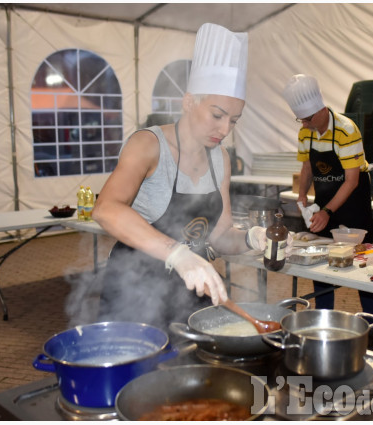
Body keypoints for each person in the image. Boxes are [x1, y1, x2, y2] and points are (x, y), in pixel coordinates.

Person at [92, 23, 280, 329]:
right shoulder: (148, 145)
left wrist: (250, 237)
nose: (224, 130)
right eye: (217, 115)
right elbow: (106, 209)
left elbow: (218, 236)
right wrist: (177, 254)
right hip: (136, 290)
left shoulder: (220, 158)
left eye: (234, 121)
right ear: (190, 101)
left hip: (191, 291)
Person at [282, 74, 373, 350]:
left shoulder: (346, 130)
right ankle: (323, 324)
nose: (304, 126)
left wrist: (326, 211)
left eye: (307, 119)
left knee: (363, 268)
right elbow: (307, 168)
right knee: (321, 267)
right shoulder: (306, 132)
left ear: (320, 111)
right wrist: (303, 194)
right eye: (300, 121)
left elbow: (351, 181)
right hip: (326, 200)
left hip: (353, 205)